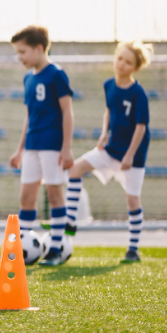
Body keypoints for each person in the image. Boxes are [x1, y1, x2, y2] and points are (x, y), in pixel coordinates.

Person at [0, 26, 74, 267]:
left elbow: (68, 111)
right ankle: (16, 249)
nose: (20, 58)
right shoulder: (28, 78)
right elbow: (30, 116)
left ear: (39, 48)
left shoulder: (56, 75)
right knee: (26, 197)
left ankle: (55, 249)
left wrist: (67, 147)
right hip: (32, 146)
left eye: (22, 52)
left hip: (52, 146)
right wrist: (19, 149)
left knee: (55, 195)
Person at [64, 41, 152, 263]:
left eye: (128, 62)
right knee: (75, 170)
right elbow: (109, 111)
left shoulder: (138, 93)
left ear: (135, 68)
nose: (122, 64)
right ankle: (70, 221)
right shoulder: (108, 85)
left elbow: (141, 127)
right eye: (120, 58)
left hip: (133, 155)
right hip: (111, 148)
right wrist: (104, 133)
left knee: (133, 201)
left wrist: (130, 155)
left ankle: (133, 249)